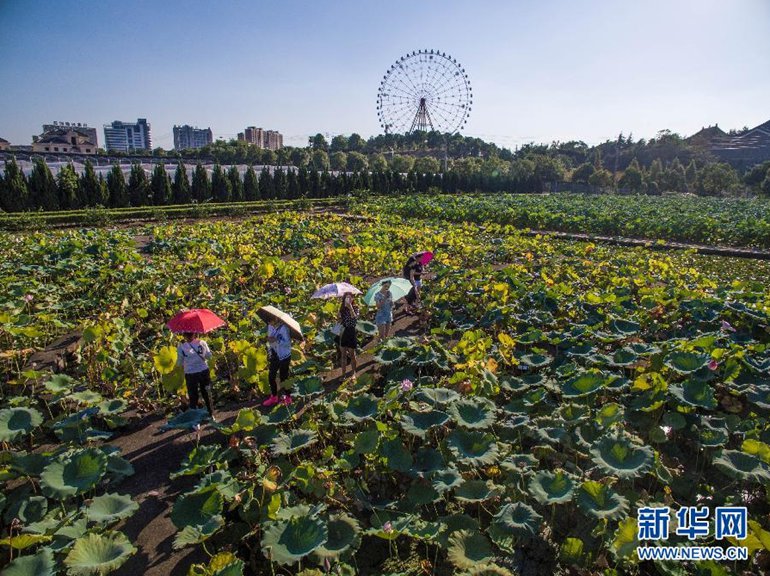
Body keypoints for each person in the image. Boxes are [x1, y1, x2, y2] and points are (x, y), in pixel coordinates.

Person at [176, 332, 215, 419]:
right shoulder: (202, 343)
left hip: (190, 373)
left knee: (193, 396)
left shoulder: (181, 347)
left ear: (184, 335)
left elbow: (179, 362)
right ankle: (211, 414)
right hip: (203, 371)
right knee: (206, 393)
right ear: (195, 333)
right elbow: (209, 356)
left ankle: (194, 419)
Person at [265, 317, 292, 407]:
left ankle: (288, 397)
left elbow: (287, 343)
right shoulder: (270, 326)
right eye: (268, 321)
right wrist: (271, 343)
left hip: (284, 355)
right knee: (271, 376)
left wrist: (276, 341)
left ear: (276, 319)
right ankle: (274, 397)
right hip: (275, 353)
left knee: (283, 377)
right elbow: (270, 339)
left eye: (270, 320)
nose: (269, 322)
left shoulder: (284, 328)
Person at [338, 292, 359, 380]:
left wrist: (350, 307)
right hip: (343, 332)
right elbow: (339, 322)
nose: (349, 300)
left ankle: (353, 372)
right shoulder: (342, 309)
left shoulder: (355, 308)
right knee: (343, 355)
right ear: (344, 299)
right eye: (347, 298)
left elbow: (355, 319)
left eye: (350, 298)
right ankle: (343, 374)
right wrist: (338, 316)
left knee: (352, 354)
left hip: (351, 331)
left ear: (353, 299)